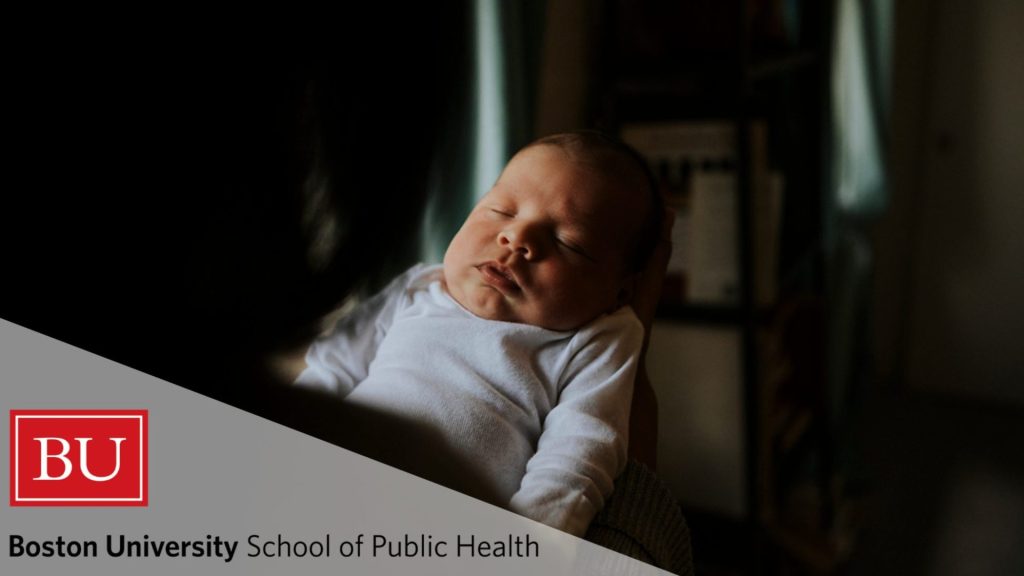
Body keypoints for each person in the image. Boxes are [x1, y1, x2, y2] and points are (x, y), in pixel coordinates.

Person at [293, 131, 664, 537]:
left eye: (567, 242)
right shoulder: (419, 287)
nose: (517, 238)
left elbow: (578, 454)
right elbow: (330, 370)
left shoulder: (597, 338)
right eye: (501, 211)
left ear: (620, 292)